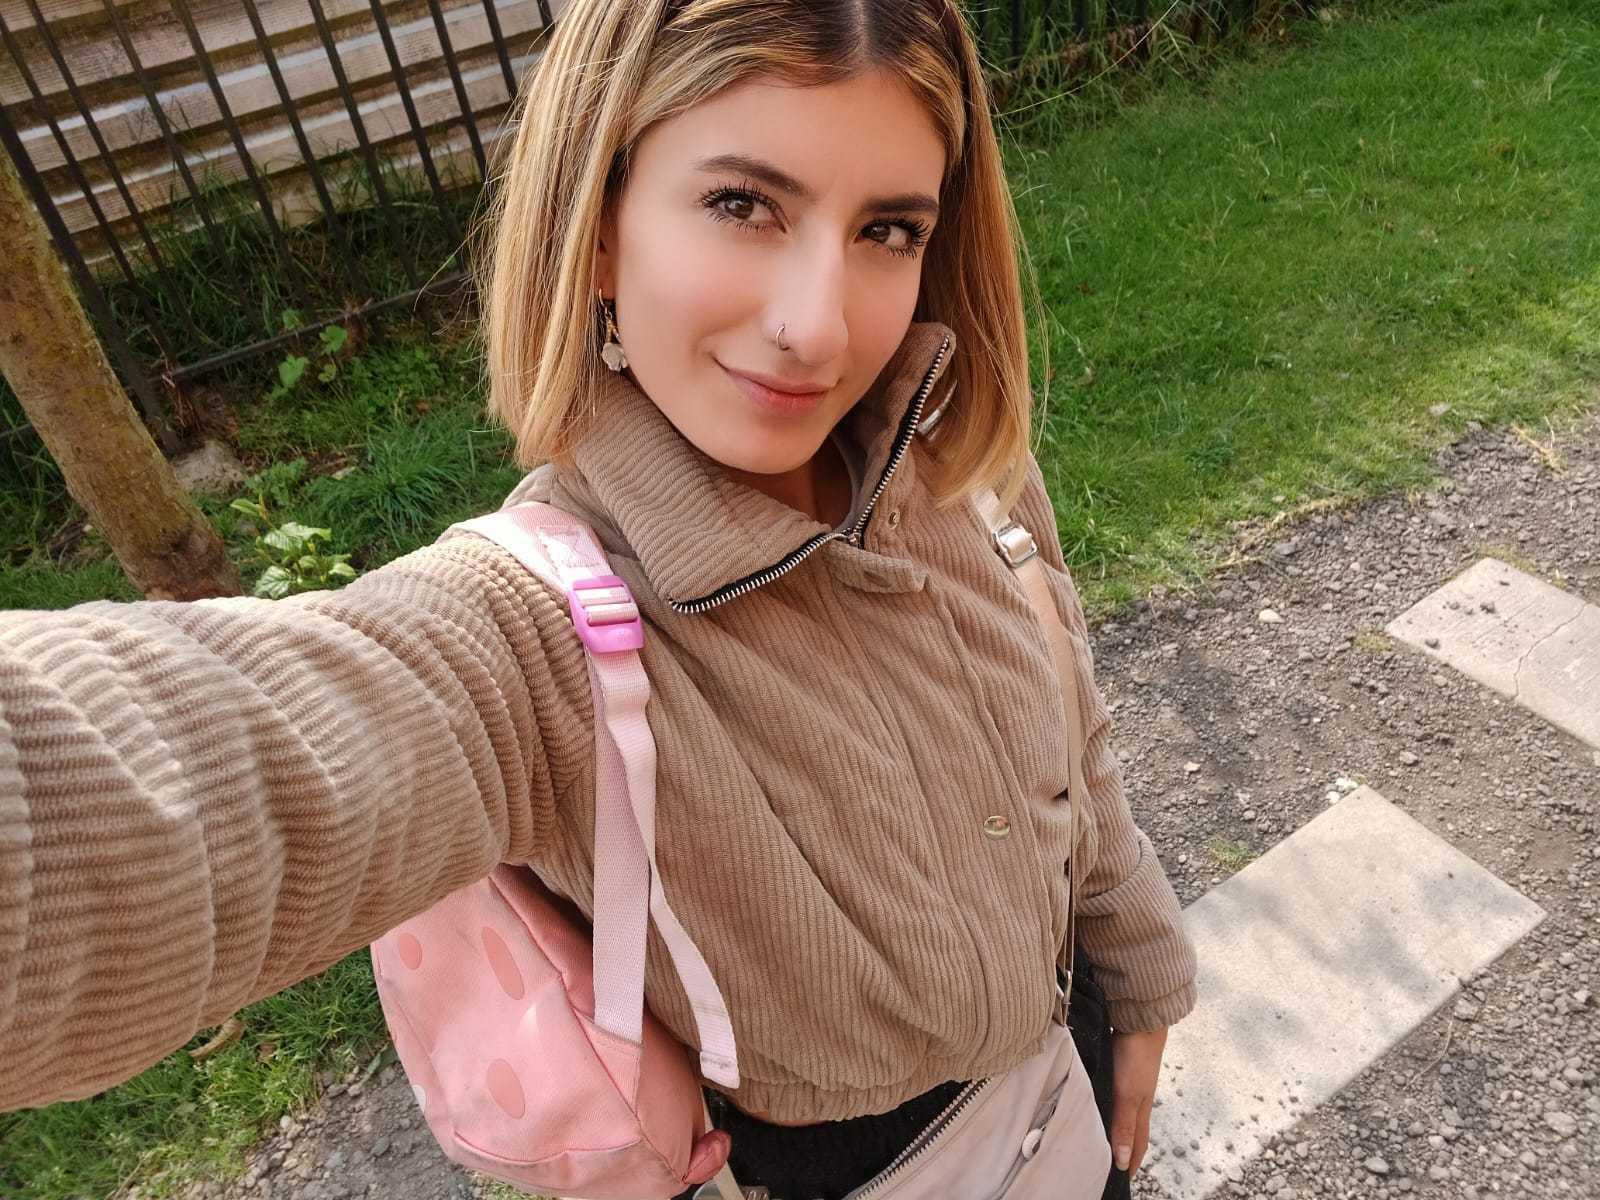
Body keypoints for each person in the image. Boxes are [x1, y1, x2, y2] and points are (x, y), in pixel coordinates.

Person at [0, 2, 1198, 1197]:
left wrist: (1134, 952)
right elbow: (186, 785)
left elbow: (1067, 727)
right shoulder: (537, 638)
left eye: (886, 230)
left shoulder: (950, 451)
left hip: (1073, 1058)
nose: (817, 326)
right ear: (601, 223)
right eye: (743, 205)